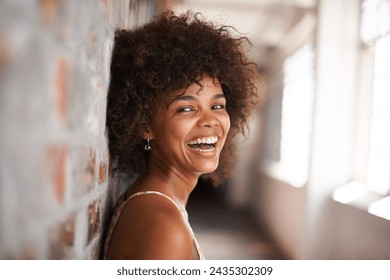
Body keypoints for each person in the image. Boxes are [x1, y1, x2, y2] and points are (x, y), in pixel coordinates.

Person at [103, 10, 258, 260]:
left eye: (217, 106)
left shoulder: (159, 204)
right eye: (186, 108)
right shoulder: (163, 225)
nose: (210, 122)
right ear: (144, 125)